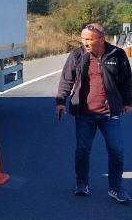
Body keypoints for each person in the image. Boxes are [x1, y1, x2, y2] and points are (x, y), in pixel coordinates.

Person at [56, 22, 132, 203]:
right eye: (83, 39)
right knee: (82, 150)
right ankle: (82, 184)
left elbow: (127, 81)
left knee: (117, 151)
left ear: (101, 38)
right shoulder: (77, 55)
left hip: (109, 112)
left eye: (89, 39)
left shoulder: (117, 54)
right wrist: (60, 101)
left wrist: (128, 102)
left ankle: (116, 188)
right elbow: (67, 79)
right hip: (84, 113)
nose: (85, 42)